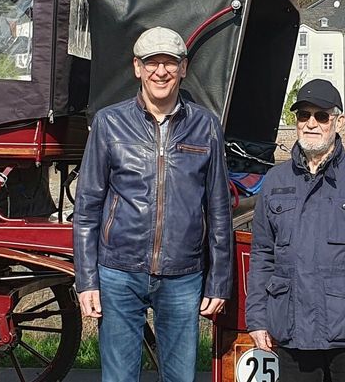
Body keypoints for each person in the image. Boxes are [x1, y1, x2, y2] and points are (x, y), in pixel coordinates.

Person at [73, 26, 232, 382]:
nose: (161, 71)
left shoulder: (206, 127)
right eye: (152, 62)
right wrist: (87, 280)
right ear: (137, 67)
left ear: (184, 68)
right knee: (119, 378)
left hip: (183, 274)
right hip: (118, 272)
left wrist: (219, 280)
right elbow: (86, 209)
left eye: (169, 63)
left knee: (180, 377)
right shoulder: (109, 124)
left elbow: (219, 211)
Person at [246, 78, 345, 382]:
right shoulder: (276, 180)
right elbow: (262, 255)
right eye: (303, 116)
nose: (311, 124)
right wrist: (256, 318)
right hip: (293, 330)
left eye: (322, 116)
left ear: (339, 122)